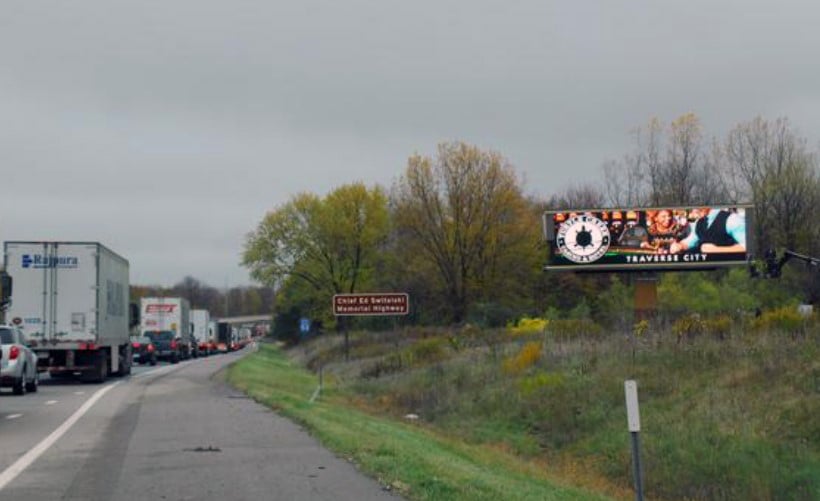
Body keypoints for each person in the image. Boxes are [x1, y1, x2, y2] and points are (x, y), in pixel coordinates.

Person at [669, 208, 746, 254]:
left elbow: (747, 247)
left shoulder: (732, 220)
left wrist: (717, 250)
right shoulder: (699, 222)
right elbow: (691, 240)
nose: (694, 211)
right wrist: (680, 245)